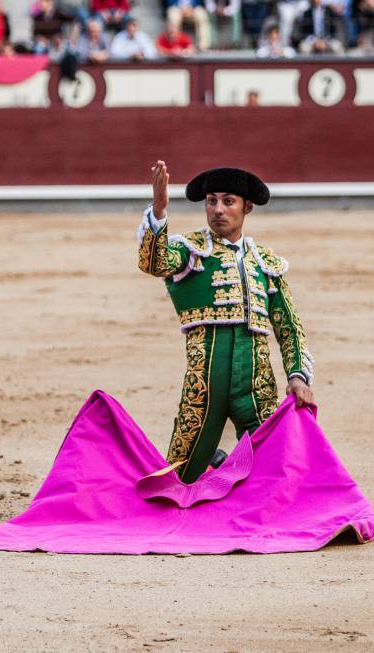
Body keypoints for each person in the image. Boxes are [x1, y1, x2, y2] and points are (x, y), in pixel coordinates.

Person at [138, 162, 315, 484]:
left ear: (247, 207)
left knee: (279, 467)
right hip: (205, 382)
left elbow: (288, 326)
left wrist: (298, 376)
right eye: (211, 201)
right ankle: (213, 466)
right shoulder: (189, 250)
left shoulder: (265, 262)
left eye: (228, 201)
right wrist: (159, 211)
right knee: (180, 474)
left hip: (256, 383)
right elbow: (153, 262)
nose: (218, 209)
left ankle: (222, 468)